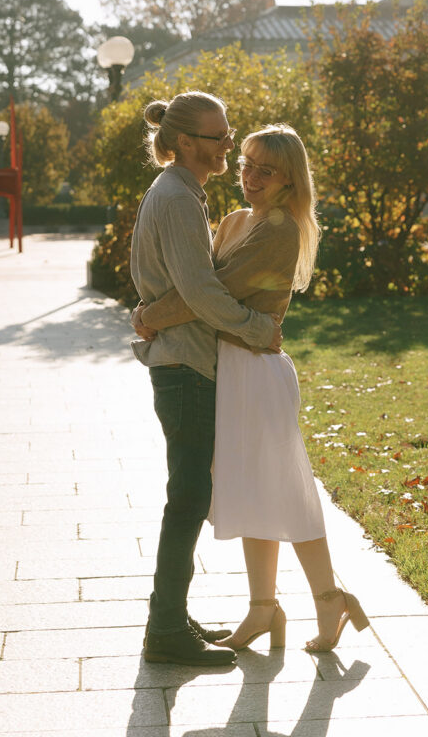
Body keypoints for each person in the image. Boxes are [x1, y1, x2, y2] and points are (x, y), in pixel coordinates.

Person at [134, 124, 370, 653]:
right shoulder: (238, 221)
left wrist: (150, 315)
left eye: (267, 169)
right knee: (250, 492)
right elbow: (201, 289)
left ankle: (329, 596)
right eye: (246, 163)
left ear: (290, 179)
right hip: (228, 367)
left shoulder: (280, 229)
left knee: (284, 487)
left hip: (257, 371)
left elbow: (210, 296)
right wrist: (155, 312)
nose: (251, 176)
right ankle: (264, 608)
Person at [130, 91, 282, 668]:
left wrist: (145, 315)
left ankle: (173, 615)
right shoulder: (175, 197)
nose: (227, 145)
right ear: (186, 142)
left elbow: (171, 285)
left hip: (182, 359)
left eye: (227, 133)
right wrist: (255, 326)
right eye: (219, 137)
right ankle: (165, 628)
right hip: (186, 366)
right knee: (188, 496)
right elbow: (197, 291)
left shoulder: (180, 192)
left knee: (189, 494)